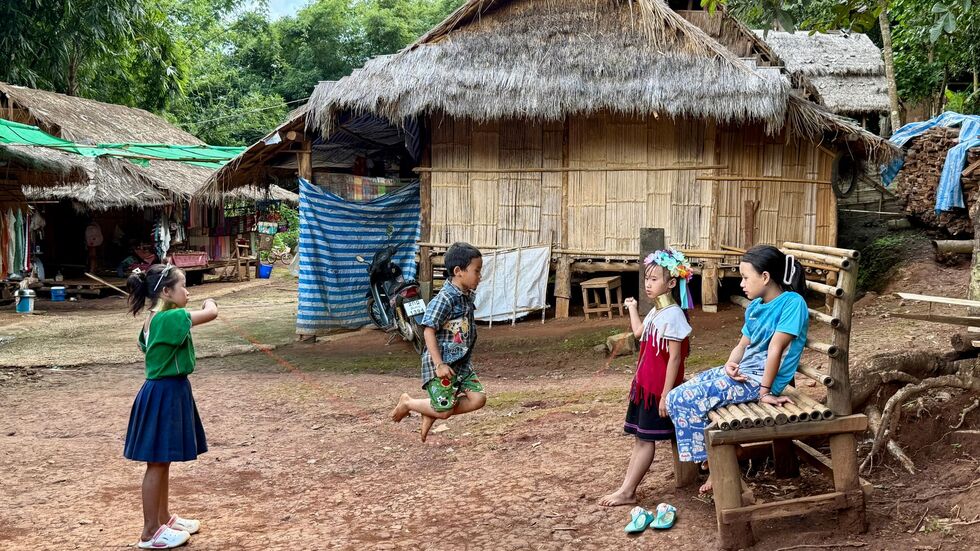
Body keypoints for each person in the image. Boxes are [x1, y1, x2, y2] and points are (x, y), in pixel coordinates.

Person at [666, 245, 807, 494]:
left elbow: (775, 349)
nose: (741, 283)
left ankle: (715, 466)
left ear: (765, 277)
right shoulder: (755, 307)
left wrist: (765, 391)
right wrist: (731, 365)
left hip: (758, 382)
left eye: (744, 277)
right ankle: (720, 457)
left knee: (682, 397)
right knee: (679, 393)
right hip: (743, 374)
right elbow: (743, 345)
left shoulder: (792, 304)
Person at [124, 264, 219, 549]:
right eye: (183, 286)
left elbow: (146, 346)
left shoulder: (153, 319)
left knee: (161, 459)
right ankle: (150, 531)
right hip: (164, 392)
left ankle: (163, 519)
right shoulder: (172, 317)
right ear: (166, 291)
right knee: (157, 462)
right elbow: (211, 313)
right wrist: (210, 301)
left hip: (165, 391)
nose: (187, 292)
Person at [599, 248, 694, 507]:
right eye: (647, 278)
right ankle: (626, 489)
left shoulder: (673, 315)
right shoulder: (657, 311)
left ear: (672, 283)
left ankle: (628, 491)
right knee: (641, 438)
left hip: (657, 391)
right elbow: (640, 333)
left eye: (654, 279)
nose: (648, 284)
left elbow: (675, 359)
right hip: (645, 387)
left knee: (645, 440)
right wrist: (631, 308)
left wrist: (665, 395)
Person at [390, 242, 487, 442]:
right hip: (442, 365)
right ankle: (409, 403)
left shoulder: (465, 296)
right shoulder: (445, 299)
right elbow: (428, 331)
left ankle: (432, 410)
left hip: (461, 364)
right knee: (444, 412)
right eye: (476, 271)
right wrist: (439, 364)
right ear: (458, 271)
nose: (480, 276)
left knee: (478, 399)